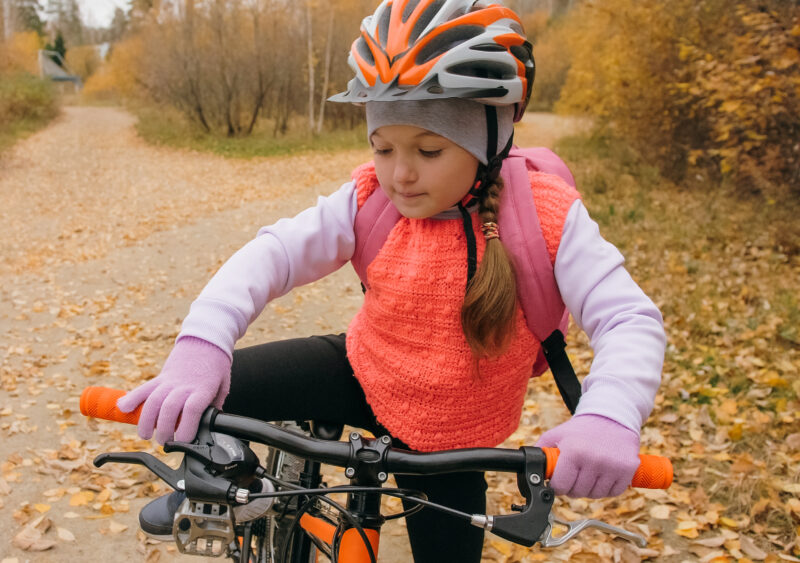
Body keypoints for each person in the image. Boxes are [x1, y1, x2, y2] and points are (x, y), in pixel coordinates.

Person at [117, 0, 666, 560]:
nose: (400, 173)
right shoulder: (370, 198)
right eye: (382, 147)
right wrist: (201, 343)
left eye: (429, 150)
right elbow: (274, 254)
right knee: (218, 390)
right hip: (361, 370)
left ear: (492, 138)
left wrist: (609, 414)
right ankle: (227, 469)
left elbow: (628, 318)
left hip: (454, 440)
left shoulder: (546, 218)